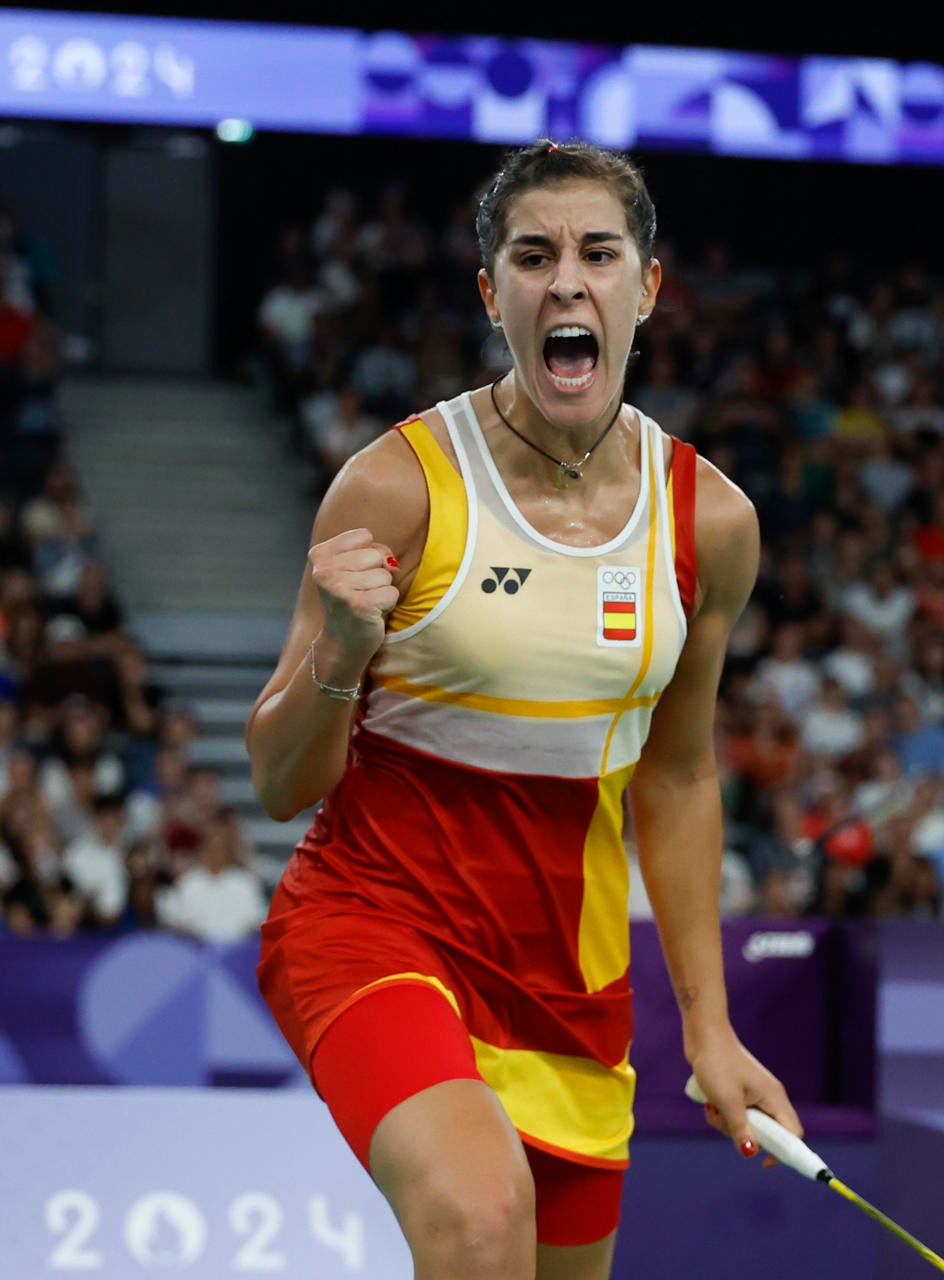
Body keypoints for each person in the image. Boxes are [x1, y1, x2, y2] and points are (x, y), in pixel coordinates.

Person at [246, 139, 800, 1279]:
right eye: (534, 256)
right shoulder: (399, 485)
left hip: (565, 981)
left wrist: (710, 1024)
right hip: (373, 926)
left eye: (600, 254)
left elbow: (681, 772)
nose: (568, 282)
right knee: (481, 1210)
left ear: (647, 288)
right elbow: (278, 778)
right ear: (493, 292)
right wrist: (343, 652)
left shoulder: (710, 523)